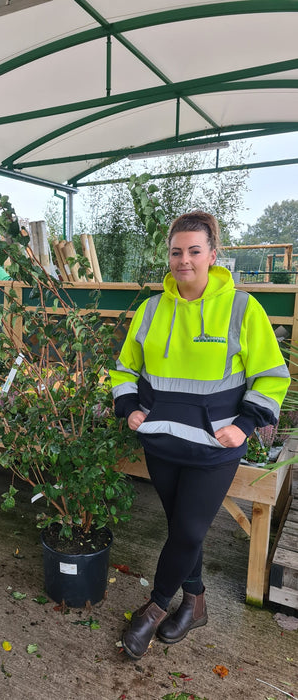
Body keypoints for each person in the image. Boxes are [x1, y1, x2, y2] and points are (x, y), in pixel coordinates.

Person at [110, 211, 290, 660]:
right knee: (181, 531)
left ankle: (154, 608)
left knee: (189, 529)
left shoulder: (243, 309)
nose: (183, 260)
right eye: (176, 251)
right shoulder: (152, 310)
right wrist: (129, 408)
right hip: (162, 442)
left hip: (214, 448)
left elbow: (271, 376)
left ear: (213, 255)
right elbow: (125, 367)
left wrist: (245, 425)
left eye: (194, 251)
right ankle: (196, 602)